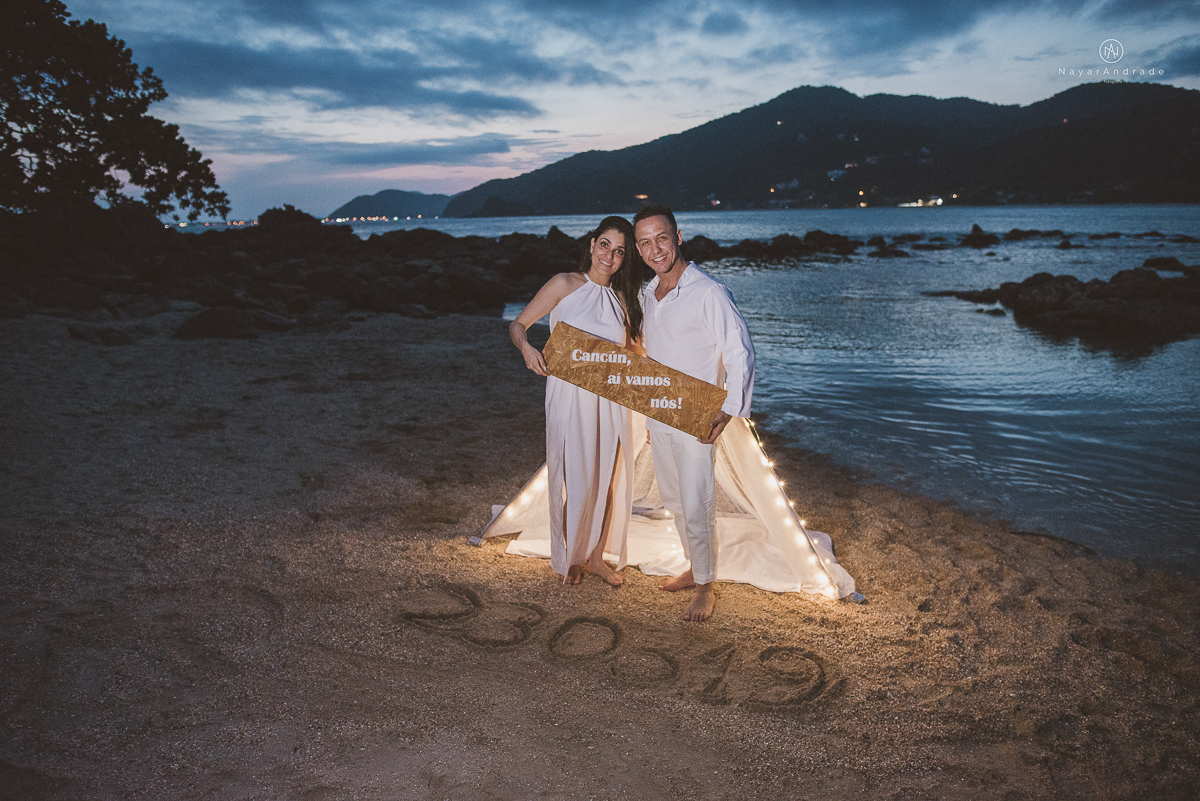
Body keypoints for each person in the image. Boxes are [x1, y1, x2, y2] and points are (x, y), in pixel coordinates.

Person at [633, 205, 755, 621]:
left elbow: (740, 351)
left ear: (678, 237)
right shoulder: (648, 293)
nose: (655, 249)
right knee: (672, 496)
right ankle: (693, 566)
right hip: (661, 413)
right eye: (645, 242)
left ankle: (705, 586)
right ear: (638, 248)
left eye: (662, 238)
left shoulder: (709, 292)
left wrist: (729, 408)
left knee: (697, 498)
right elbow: (653, 356)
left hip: (698, 415)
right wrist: (651, 413)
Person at [510, 216, 645, 586]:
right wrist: (527, 349)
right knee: (578, 478)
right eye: (605, 245)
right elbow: (518, 324)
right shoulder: (565, 284)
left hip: (611, 399)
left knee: (609, 480)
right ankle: (572, 554)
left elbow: (636, 354)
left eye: (619, 251)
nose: (610, 256)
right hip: (568, 396)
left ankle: (597, 557)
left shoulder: (623, 299)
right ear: (591, 244)